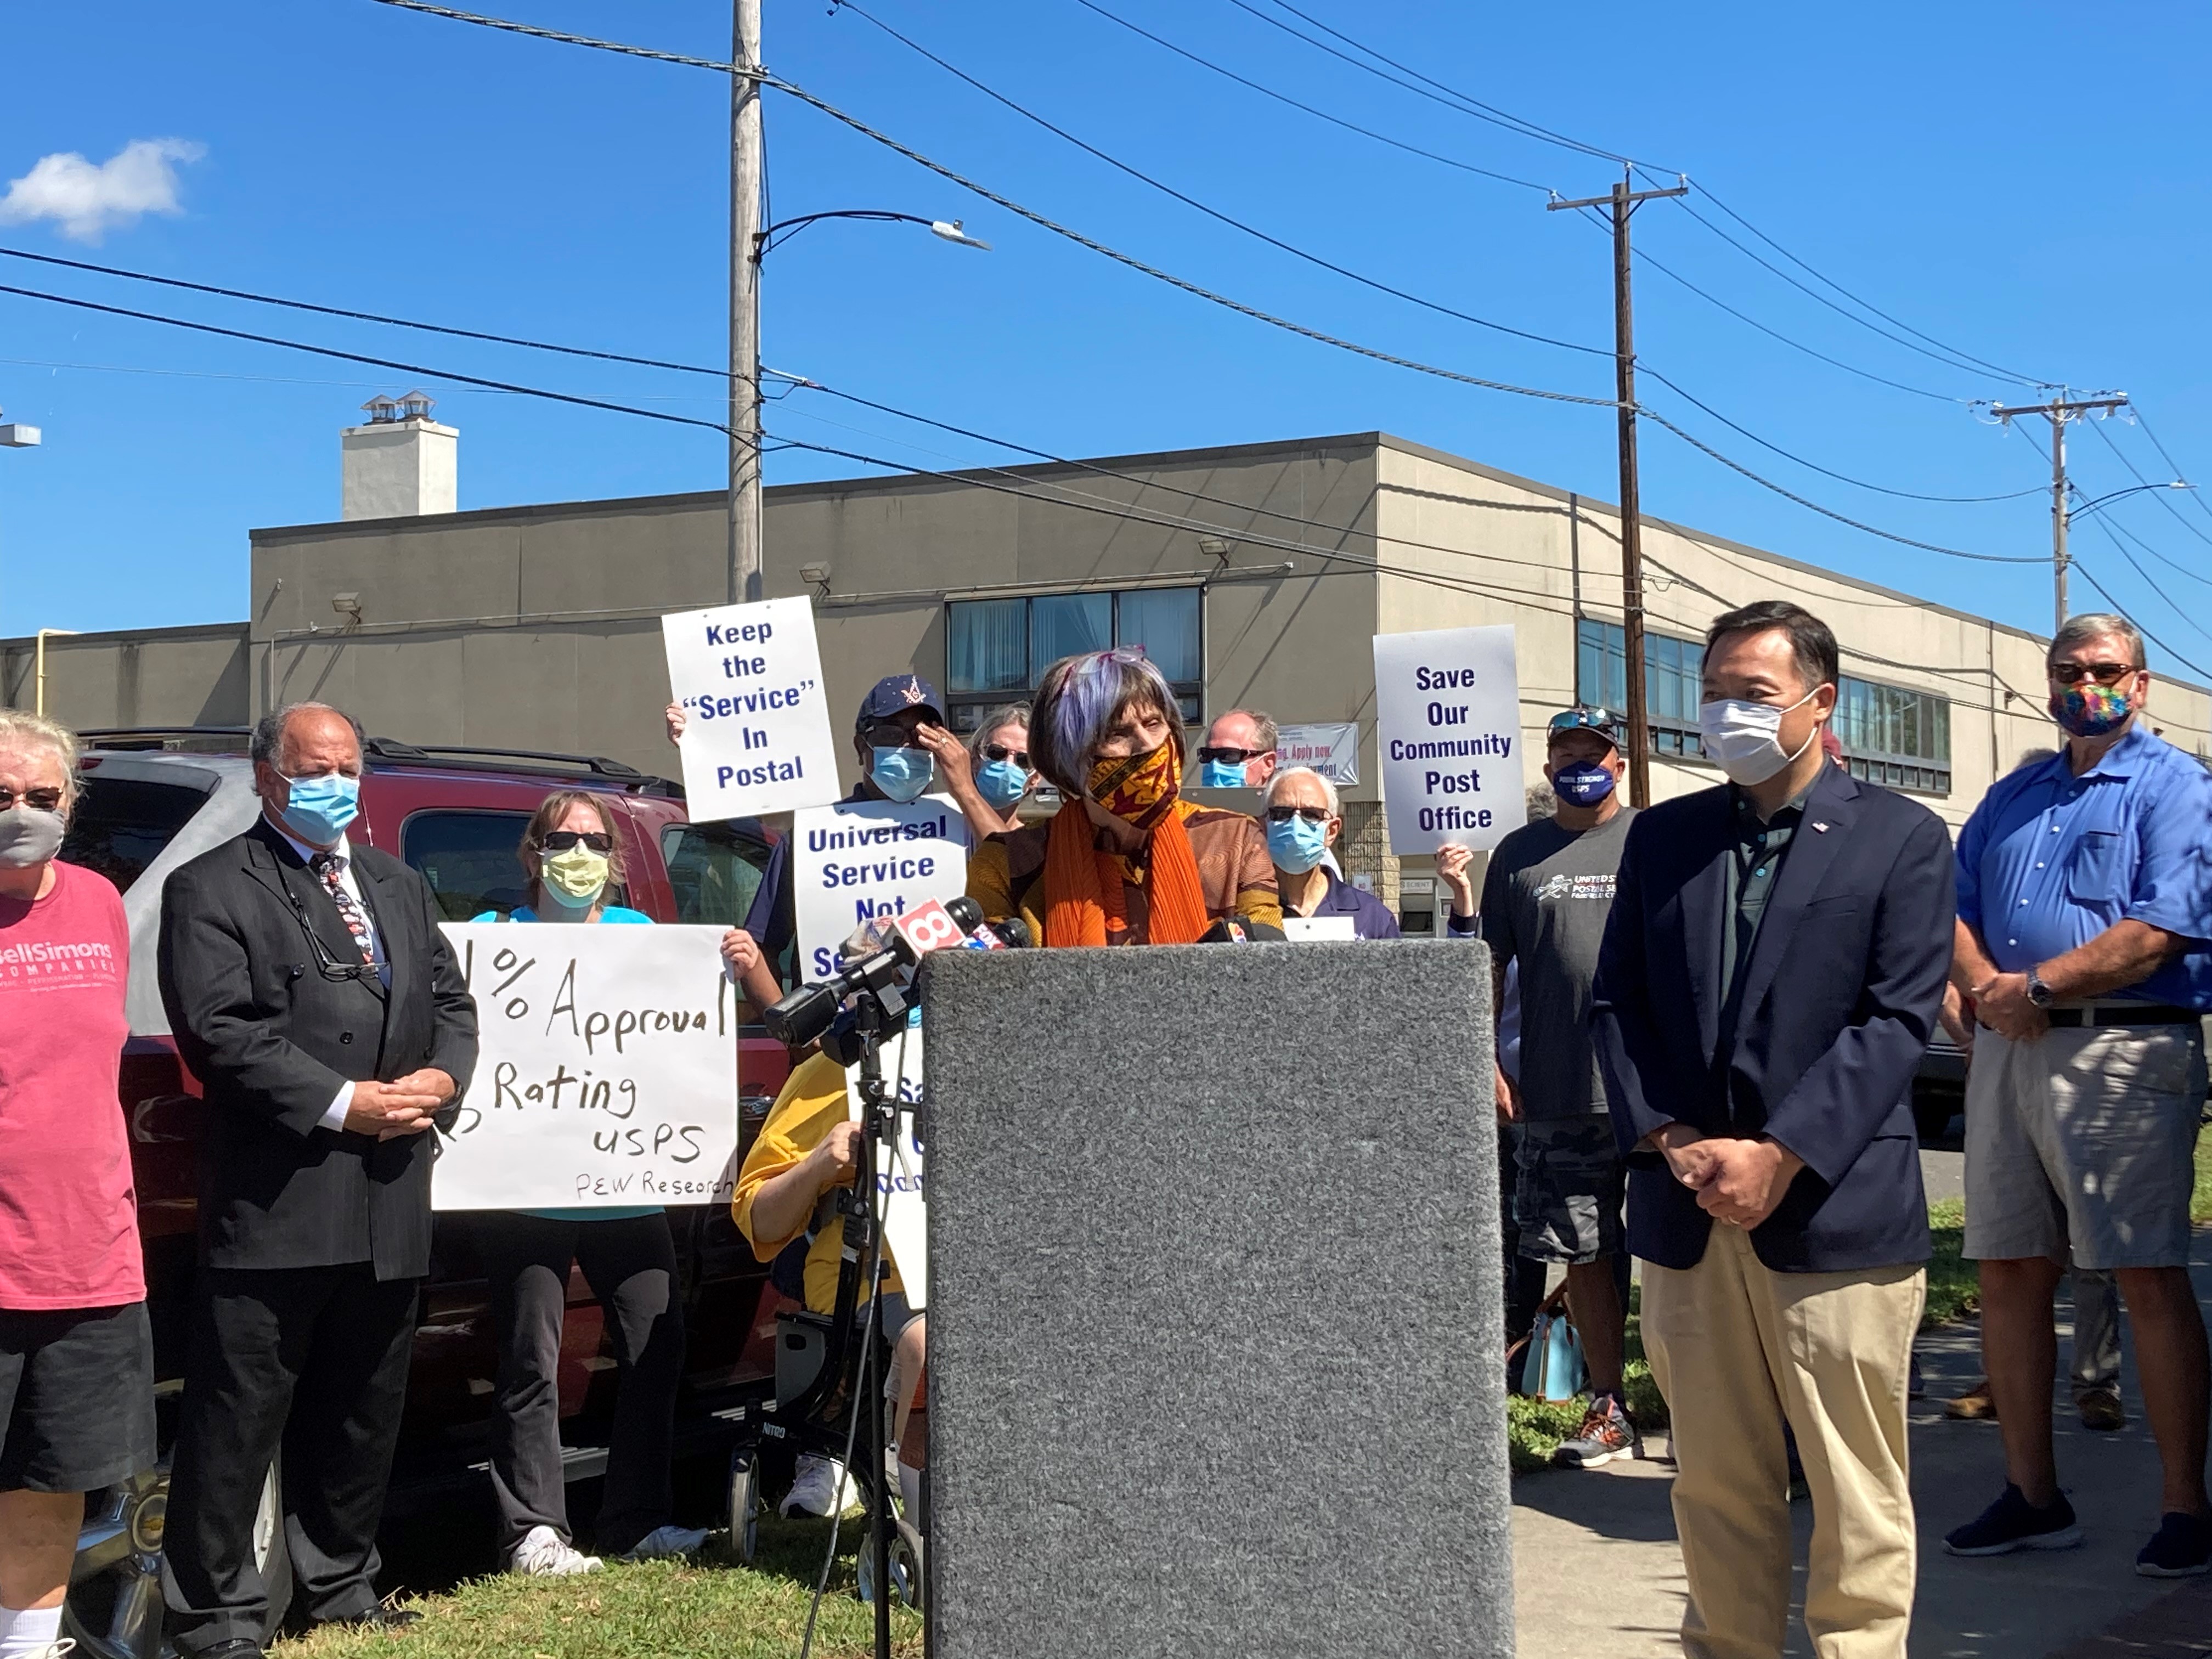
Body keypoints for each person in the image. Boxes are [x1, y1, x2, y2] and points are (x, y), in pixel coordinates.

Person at [1593, 601, 1950, 1659]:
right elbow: (1619, 1003)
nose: (1726, 713)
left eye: (1752, 692)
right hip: (1687, 1206)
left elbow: (1894, 1017)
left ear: (1818, 702)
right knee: (1713, 1481)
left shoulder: (1901, 836)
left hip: (1832, 1217)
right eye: (1712, 693)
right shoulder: (1665, 836)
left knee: (1855, 1490)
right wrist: (1671, 1137)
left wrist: (1779, 1151)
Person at [157, 702, 479, 1658]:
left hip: (389, 1195)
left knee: (362, 1409)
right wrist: (346, 1100)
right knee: (236, 1421)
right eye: (314, 767)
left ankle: (340, 1583)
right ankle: (214, 1614)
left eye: (349, 764)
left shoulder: (398, 882)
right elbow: (221, 1032)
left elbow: (452, 1000)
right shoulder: (211, 886)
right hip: (278, 1200)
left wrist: (443, 1076)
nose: (335, 781)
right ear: (267, 775)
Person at [1944, 612, 2212, 1578]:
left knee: (2142, 1272)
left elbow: (2158, 927)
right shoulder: (2014, 792)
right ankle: (2031, 1494)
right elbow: (1955, 903)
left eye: (2104, 669)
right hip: (2009, 1049)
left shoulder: (2178, 788)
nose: (2083, 682)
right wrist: (1985, 989)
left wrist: (2037, 987)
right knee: (2010, 1268)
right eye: (2067, 669)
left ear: (2140, 685)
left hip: (2124, 1049)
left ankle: (2185, 1504)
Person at [465, 792, 708, 1575]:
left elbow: (679, 1037)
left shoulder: (640, 936)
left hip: (625, 1179)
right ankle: (533, 1530)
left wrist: (729, 967)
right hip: (526, 1187)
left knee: (656, 1341)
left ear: (614, 856)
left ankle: (636, 1520)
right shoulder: (494, 939)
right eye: (563, 839)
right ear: (532, 852)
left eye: (595, 841)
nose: (579, 853)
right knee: (529, 1358)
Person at [0, 712, 155, 1659]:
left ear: (70, 804)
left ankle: (27, 1643)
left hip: (85, 1253)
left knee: (50, 1475)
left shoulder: (99, 899)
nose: (20, 812)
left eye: (40, 797)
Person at [1481, 707, 1640, 1469]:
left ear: (1620, 765)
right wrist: (1488, 1062)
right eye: (1567, 752)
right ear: (1548, 769)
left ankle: (1710, 1404)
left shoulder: (1651, 842)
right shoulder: (1517, 856)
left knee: (1685, 1258)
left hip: (1655, 1092)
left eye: (1596, 752)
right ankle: (1609, 1407)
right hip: (1557, 1091)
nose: (1582, 762)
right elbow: (1488, 967)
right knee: (1585, 1255)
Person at [732, 922, 926, 1523]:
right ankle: (924, 1529)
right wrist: (819, 1165)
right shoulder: (824, 1074)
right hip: (877, 1273)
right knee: (930, 1343)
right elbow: (758, 1218)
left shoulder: (989, 1058)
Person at [664, 672, 962, 1012]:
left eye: (924, 737)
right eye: (892, 734)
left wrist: (965, 787)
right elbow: (762, 953)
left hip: (942, 1040)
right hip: (838, 1046)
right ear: (860, 746)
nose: (908, 746)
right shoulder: (811, 839)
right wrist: (802, 1037)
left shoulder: (959, 829)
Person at [968, 650, 1280, 943]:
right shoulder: (1008, 863)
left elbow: (1270, 972)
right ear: (1068, 759)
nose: (1147, 745)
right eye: (1117, 734)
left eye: (1154, 724)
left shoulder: (1234, 840)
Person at [1263, 766, 1398, 938]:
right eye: (1281, 813)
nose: (1295, 824)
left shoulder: (1372, 916)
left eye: (1311, 814)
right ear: (1263, 825)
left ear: (1332, 831)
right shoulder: (1245, 912)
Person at [915, 703, 1035, 842]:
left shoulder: (1039, 843)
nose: (1009, 764)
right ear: (975, 760)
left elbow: (1003, 856)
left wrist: (965, 789)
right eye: (996, 753)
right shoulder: (937, 830)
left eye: (1023, 760)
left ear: (1035, 778)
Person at [1195, 707, 1279, 790]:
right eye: (1208, 755)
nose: (1215, 765)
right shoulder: (1189, 803)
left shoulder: (1287, 803)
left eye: (1228, 755)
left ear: (1268, 764)